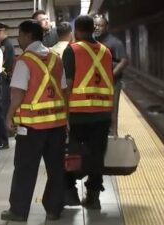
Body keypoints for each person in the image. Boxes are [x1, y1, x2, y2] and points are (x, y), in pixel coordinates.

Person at [1, 19, 67, 222]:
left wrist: (9, 116)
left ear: (28, 35)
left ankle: (19, 212)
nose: (18, 39)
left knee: (25, 168)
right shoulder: (56, 57)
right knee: (56, 167)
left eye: (20, 35)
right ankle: (54, 209)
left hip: (32, 126)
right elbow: (64, 90)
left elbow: (18, 93)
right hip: (57, 123)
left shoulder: (25, 60)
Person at [63, 15, 114, 210]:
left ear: (77, 30)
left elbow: (67, 84)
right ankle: (94, 197)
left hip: (78, 113)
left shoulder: (72, 50)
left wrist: (65, 114)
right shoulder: (106, 52)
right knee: (96, 155)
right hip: (102, 114)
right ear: (93, 29)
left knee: (72, 154)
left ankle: (70, 192)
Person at [94, 14, 128, 136]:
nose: (97, 28)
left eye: (100, 25)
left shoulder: (114, 42)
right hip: (96, 82)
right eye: (95, 25)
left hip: (112, 82)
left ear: (106, 27)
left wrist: (110, 75)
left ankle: (114, 135)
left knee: (112, 109)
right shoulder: (92, 42)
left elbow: (124, 61)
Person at [0, 22, 15, 119]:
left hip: (5, 77)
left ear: (5, 32)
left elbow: (1, 63)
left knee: (4, 103)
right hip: (4, 77)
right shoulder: (3, 44)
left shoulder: (5, 45)